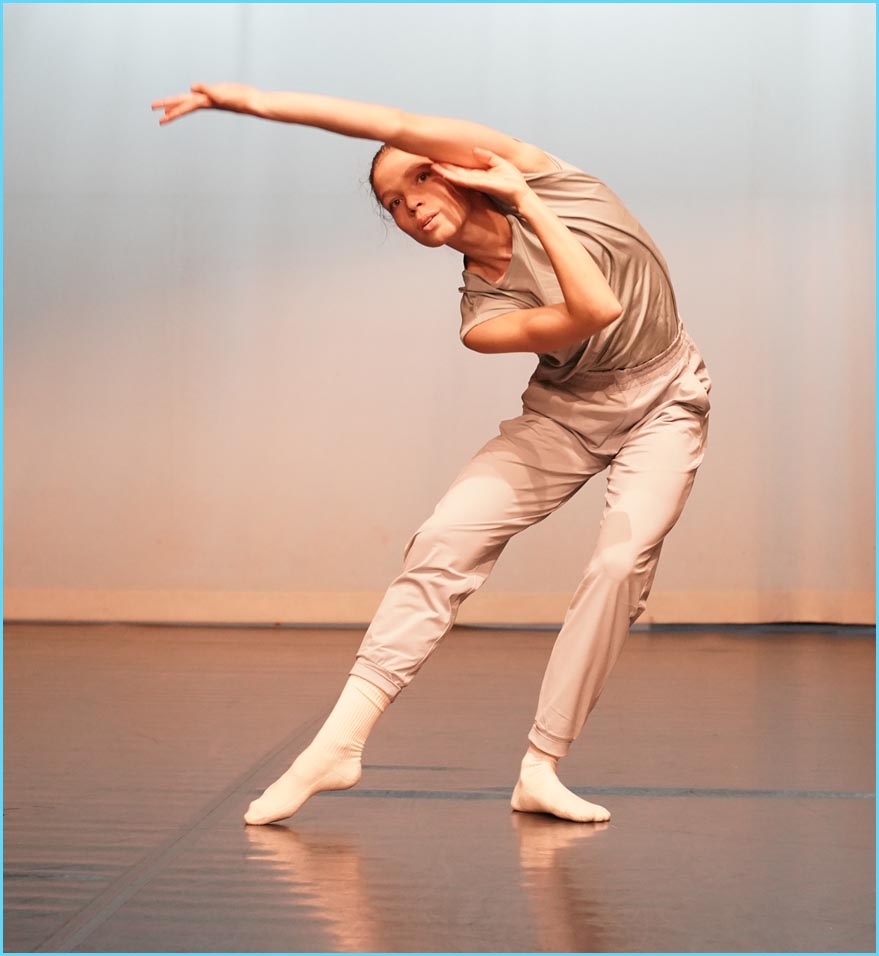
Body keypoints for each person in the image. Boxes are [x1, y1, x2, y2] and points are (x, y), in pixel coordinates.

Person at [152, 83, 711, 825]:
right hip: (567, 413)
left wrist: (250, 101)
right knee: (444, 537)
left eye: (420, 176)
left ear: (458, 165)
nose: (409, 202)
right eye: (391, 203)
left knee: (619, 564)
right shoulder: (481, 315)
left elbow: (390, 122)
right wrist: (518, 203)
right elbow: (590, 313)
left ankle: (540, 765)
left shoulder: (552, 183)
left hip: (665, 399)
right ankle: (339, 744)